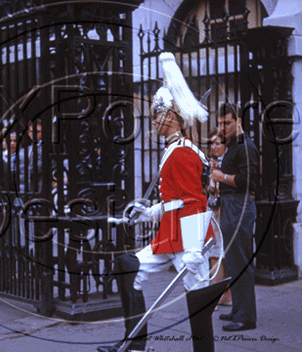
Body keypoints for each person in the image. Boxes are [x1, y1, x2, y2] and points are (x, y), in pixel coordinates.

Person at [97, 52, 213, 352]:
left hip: (189, 240)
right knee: (128, 266)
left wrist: (194, 249)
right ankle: (134, 346)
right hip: (170, 235)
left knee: (198, 305)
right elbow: (173, 202)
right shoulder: (174, 149)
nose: (152, 120)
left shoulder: (183, 152)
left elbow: (194, 202)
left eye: (156, 114)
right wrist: (148, 213)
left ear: (170, 116)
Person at [211, 102, 259, 332]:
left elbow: (248, 181)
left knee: (241, 262)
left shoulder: (246, 146)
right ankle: (238, 309)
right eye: (220, 123)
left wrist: (222, 177)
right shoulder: (232, 146)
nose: (223, 127)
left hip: (239, 206)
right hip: (231, 205)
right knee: (232, 261)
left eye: (227, 123)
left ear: (238, 121)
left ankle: (246, 316)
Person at [207, 128, 232, 307]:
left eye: (217, 143)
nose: (214, 146)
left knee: (220, 254)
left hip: (223, 213)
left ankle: (216, 295)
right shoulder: (213, 164)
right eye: (211, 143)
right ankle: (224, 294)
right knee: (216, 254)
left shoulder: (227, 165)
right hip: (213, 212)